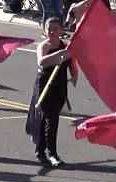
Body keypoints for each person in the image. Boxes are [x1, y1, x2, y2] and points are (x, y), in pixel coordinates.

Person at [25, 17, 77, 167]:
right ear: (44, 30)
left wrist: (74, 75)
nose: (52, 32)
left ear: (61, 30)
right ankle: (51, 154)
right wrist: (61, 54)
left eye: (55, 29)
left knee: (50, 120)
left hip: (60, 85)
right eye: (49, 29)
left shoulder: (65, 46)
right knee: (50, 119)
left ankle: (40, 150)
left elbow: (71, 62)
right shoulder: (44, 46)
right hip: (45, 85)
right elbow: (42, 62)